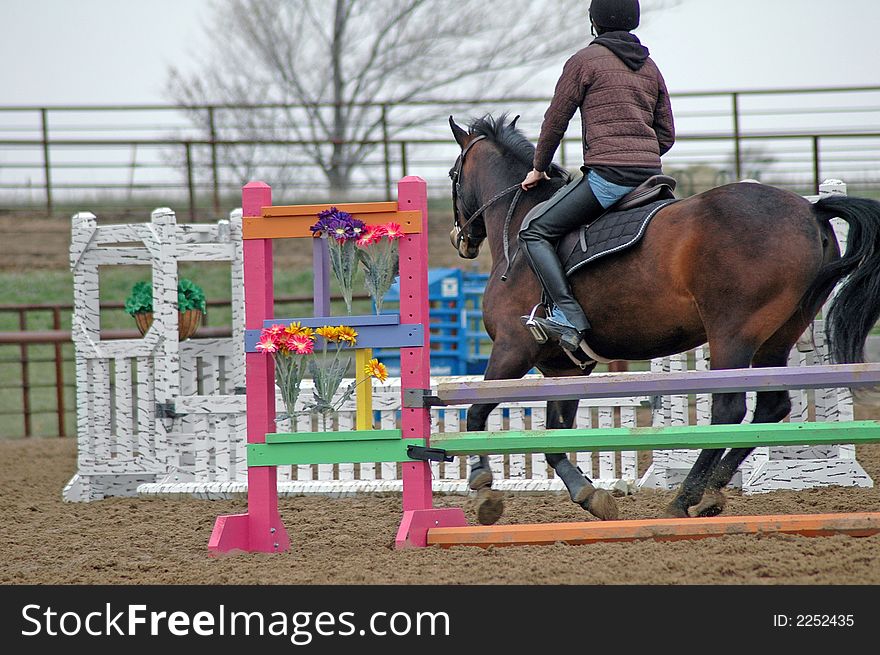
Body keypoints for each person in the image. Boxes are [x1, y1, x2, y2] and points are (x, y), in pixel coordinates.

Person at [518, 0, 675, 352]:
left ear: (595, 22)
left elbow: (555, 121)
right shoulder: (650, 67)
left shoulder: (583, 62)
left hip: (610, 177)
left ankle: (567, 315)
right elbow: (666, 134)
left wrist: (539, 167)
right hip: (651, 178)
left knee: (534, 231)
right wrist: (643, 157)